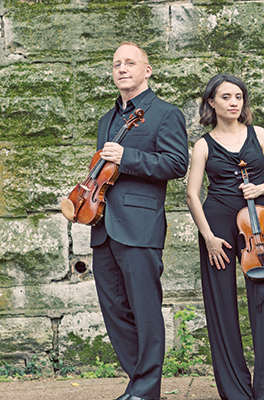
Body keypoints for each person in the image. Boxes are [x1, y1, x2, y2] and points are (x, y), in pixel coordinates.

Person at [90, 42, 189, 400]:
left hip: (140, 227)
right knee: (115, 311)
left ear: (147, 70)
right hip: (103, 228)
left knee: (145, 311)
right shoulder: (106, 119)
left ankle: (146, 391)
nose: (122, 68)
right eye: (116, 63)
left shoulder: (165, 113)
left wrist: (128, 156)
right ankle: (139, 384)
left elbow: (177, 164)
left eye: (130, 62)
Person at [186, 73, 264, 400]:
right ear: (211, 102)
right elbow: (191, 194)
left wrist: (261, 188)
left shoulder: (259, 135)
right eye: (225, 97)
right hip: (218, 226)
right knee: (221, 305)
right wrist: (208, 237)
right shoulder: (202, 145)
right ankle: (236, 391)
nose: (233, 103)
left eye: (238, 97)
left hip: (257, 227)